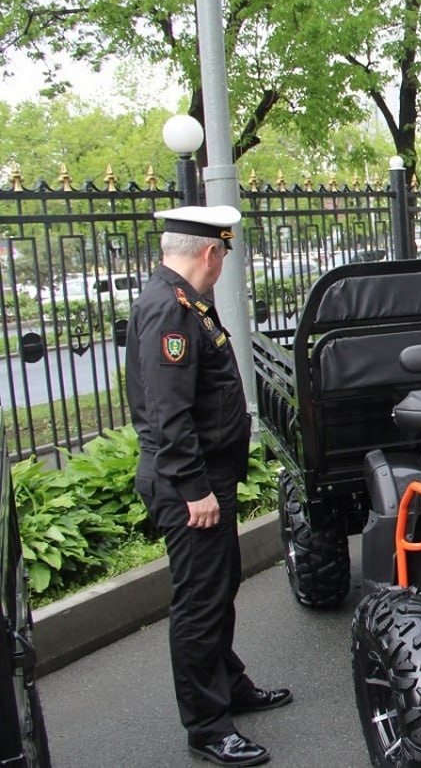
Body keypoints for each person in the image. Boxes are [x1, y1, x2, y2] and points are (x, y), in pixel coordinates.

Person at [126, 205, 290, 767]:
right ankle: (207, 726)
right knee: (199, 604)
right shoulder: (168, 311)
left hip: (204, 479)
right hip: (187, 486)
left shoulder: (187, 304)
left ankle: (230, 685)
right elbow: (167, 415)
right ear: (210, 253)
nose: (223, 263)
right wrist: (196, 489)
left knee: (218, 591)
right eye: (224, 253)